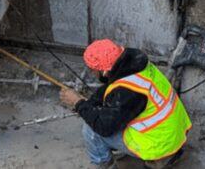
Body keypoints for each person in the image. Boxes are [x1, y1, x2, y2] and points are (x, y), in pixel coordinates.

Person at [59, 39, 191, 168]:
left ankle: (106, 164)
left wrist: (78, 103)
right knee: (101, 112)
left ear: (104, 70)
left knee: (91, 131)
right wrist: (90, 103)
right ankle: (168, 156)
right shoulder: (136, 66)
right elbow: (110, 87)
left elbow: (104, 127)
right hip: (173, 131)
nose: (93, 72)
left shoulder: (129, 92)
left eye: (94, 69)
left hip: (159, 142)